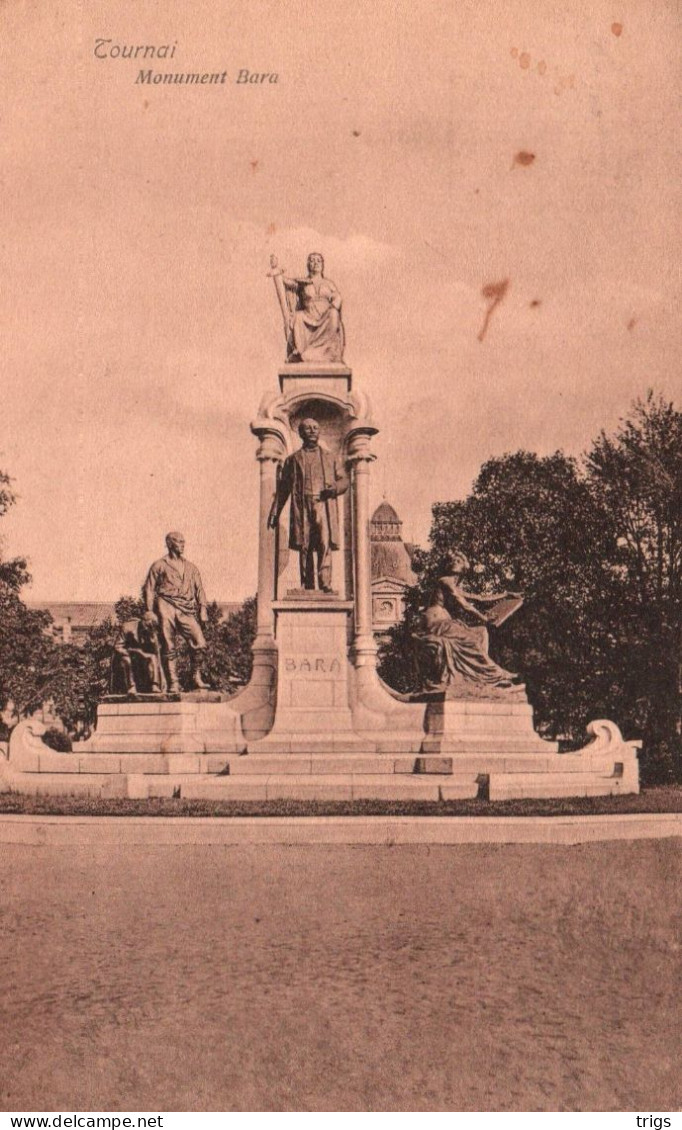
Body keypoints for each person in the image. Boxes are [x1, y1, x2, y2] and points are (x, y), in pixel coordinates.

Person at [416, 552, 523, 691]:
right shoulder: (445, 581)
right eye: (453, 560)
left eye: (459, 560)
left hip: (445, 621)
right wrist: (484, 618)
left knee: (481, 632)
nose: (455, 561)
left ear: (465, 567)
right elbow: (464, 605)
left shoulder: (454, 585)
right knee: (469, 639)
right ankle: (496, 673)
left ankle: (483, 677)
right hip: (435, 622)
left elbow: (479, 598)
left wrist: (506, 594)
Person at [267, 418, 348, 592]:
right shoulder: (293, 460)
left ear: (319, 432)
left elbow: (344, 480)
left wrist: (333, 489)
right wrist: (275, 513)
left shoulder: (330, 458)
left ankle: (325, 584)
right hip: (302, 504)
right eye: (308, 428)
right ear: (301, 433)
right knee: (305, 545)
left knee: (324, 543)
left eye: (315, 427)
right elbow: (283, 489)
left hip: (323, 504)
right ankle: (308, 584)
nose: (312, 431)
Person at [142, 532, 209, 693]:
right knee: (168, 644)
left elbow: (200, 589)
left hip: (186, 607)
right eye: (179, 542)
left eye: (183, 542)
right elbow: (149, 589)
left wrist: (203, 609)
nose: (182, 545)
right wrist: (150, 611)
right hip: (166, 604)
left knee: (200, 643)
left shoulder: (191, 567)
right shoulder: (159, 565)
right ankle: (174, 682)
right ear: (170, 544)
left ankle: (195, 676)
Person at [270, 253, 345, 363]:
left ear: (322, 265)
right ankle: (302, 352)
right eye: (312, 260)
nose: (315, 263)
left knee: (334, 314)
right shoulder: (302, 283)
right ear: (308, 265)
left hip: (325, 319)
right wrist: (275, 268)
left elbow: (337, 296)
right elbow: (282, 281)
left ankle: (324, 353)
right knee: (298, 316)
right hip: (307, 317)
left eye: (318, 261)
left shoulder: (329, 284)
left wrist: (335, 301)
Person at [111, 612, 165, 696]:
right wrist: (136, 652)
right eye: (148, 626)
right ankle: (131, 687)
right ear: (143, 621)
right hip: (125, 656)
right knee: (127, 660)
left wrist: (163, 678)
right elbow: (118, 647)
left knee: (153, 657)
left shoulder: (151, 632)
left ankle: (155, 685)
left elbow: (156, 653)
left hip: (140, 659)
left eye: (151, 628)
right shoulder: (128, 627)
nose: (149, 629)